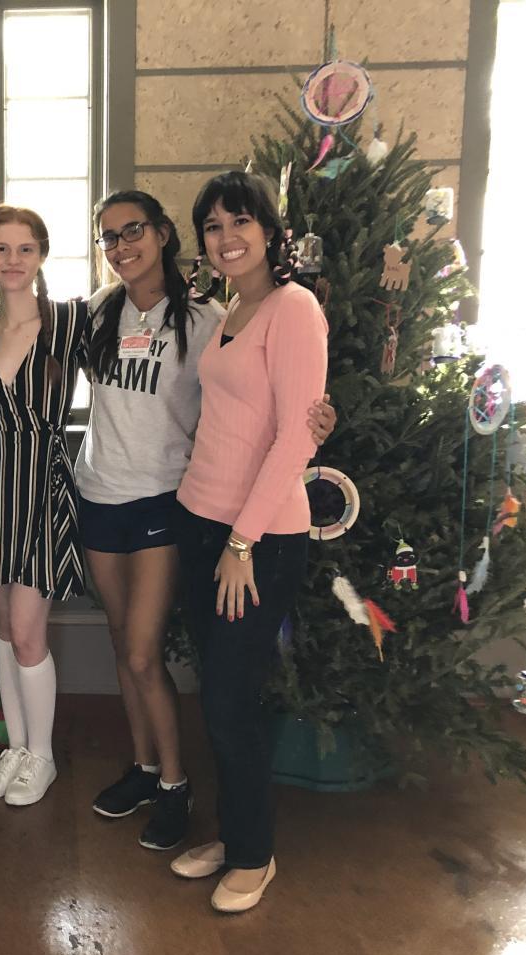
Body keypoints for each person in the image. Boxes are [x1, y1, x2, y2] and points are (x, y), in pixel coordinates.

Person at [77, 190, 335, 852]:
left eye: (134, 230)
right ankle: (144, 769)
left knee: (144, 652)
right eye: (109, 237)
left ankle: (176, 786)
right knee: (122, 646)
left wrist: (313, 423)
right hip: (107, 495)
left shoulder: (210, 317)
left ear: (164, 234)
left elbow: (266, 410)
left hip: (166, 502)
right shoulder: (99, 310)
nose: (122, 246)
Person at [168, 171, 329, 913]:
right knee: (218, 694)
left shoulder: (294, 308)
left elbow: (297, 435)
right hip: (200, 522)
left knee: (231, 701)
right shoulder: (232, 308)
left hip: (255, 541)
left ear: (269, 230)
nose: (227, 237)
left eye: (241, 221)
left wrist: (242, 543)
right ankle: (235, 835)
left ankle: (255, 856)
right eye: (213, 226)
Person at [0, 205, 88, 807]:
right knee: (5, 627)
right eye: (1, 248)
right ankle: (16, 747)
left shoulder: (69, 320)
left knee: (30, 631)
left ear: (42, 254)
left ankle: (43, 756)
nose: (13, 259)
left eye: (25, 248)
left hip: (43, 480)